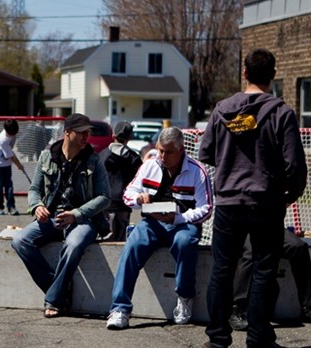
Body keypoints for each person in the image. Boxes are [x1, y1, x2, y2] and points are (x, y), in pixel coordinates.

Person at [199, 48, 307, 348]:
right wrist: (291, 195)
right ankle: (258, 338)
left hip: (229, 203)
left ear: (244, 73)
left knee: (222, 271)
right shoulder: (281, 112)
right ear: (273, 75)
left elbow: (206, 153)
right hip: (266, 203)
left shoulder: (222, 109)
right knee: (263, 270)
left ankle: (218, 339)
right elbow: (296, 165)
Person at [106, 127, 213, 330]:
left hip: (183, 225)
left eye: (169, 152)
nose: (163, 156)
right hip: (152, 223)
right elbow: (128, 193)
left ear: (181, 149)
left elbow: (206, 209)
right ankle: (120, 308)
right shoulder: (149, 165)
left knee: (185, 242)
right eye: (160, 150)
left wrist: (179, 218)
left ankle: (184, 296)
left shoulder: (198, 171)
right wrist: (139, 198)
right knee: (132, 245)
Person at [11, 113, 110, 318]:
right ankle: (59, 288)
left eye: (88, 132)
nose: (86, 137)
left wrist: (76, 214)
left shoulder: (94, 160)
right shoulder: (47, 156)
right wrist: (36, 205)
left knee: (73, 245)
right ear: (67, 133)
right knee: (20, 240)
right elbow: (34, 189)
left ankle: (54, 300)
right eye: (82, 132)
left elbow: (104, 197)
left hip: (82, 219)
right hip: (52, 217)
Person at [229, 229, 311, 331]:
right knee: (252, 252)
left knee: (298, 247)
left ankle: (307, 306)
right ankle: (238, 308)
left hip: (270, 226)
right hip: (246, 229)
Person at [99, 121, 142, 241]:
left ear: (113, 135)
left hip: (104, 203)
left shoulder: (101, 155)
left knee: (105, 239)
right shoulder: (134, 158)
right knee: (120, 239)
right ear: (130, 138)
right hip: (123, 204)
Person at [0, 119, 25, 215]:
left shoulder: (13, 133)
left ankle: (11, 207)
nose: (12, 135)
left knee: (9, 186)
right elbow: (11, 155)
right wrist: (19, 165)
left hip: (6, 164)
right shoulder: (3, 139)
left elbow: (10, 153)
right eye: (10, 134)